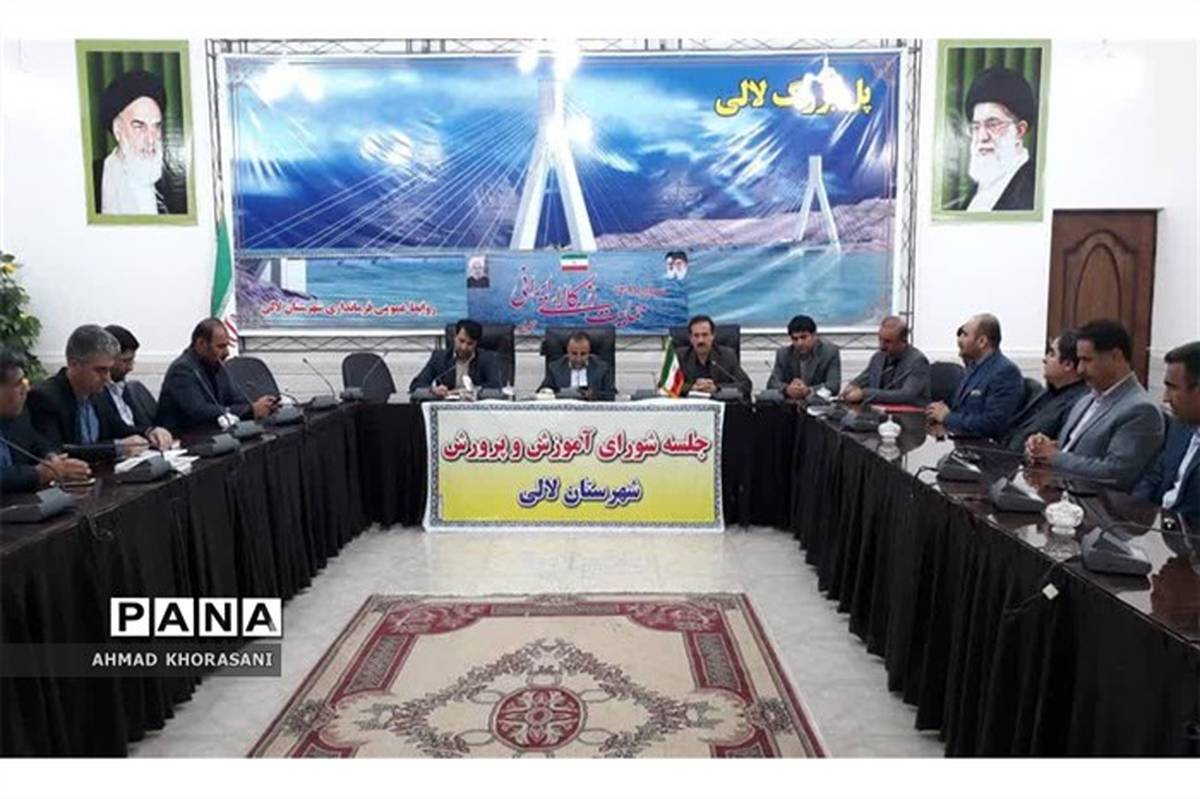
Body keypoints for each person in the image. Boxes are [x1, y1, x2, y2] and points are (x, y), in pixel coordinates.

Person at [1026, 319, 1164, 490]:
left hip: (1098, 503)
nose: (1080, 369)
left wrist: (1054, 457)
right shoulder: (1086, 400)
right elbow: (1071, 449)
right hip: (1059, 492)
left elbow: (1115, 473)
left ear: (1116, 356)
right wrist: (1041, 448)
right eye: (1079, 360)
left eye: (1087, 360)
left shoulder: (1141, 409)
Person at [27, 325, 171, 461]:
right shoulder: (45, 397)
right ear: (74, 365)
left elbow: (120, 429)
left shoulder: (99, 392)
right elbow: (57, 452)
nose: (107, 378)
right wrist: (115, 448)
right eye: (100, 370)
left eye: (109, 370)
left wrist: (150, 431)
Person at [157, 318, 279, 431]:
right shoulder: (182, 370)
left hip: (212, 434)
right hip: (185, 437)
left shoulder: (215, 365)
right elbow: (200, 411)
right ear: (201, 344)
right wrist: (250, 410)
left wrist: (260, 406)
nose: (227, 352)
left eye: (227, 346)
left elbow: (236, 399)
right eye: (221, 346)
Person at [945, 67, 1038, 212]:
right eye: (976, 127)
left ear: (1019, 130)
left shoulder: (1033, 192)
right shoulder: (979, 187)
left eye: (993, 125)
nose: (982, 137)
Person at [1, 348, 91, 494]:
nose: (26, 390)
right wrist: (39, 474)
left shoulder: (16, 418)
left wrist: (51, 457)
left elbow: (36, 442)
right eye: (18, 384)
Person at [95, 69, 184, 215]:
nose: (151, 139)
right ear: (118, 130)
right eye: (139, 127)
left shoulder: (175, 184)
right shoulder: (95, 180)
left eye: (156, 126)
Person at [926, 313, 1024, 438]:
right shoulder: (974, 368)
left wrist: (947, 417)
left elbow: (991, 425)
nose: (959, 340)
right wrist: (939, 415)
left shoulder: (1005, 372)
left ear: (982, 342)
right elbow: (962, 410)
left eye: (965, 335)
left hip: (986, 447)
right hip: (963, 441)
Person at [1134, 342, 1200, 516]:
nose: (1165, 398)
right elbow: (1154, 476)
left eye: (1173, 387)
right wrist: (1133, 513)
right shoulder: (1180, 426)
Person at [1003, 330, 1090, 450]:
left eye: (1052, 354)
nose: (1045, 359)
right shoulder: (1048, 392)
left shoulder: (1078, 404)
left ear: (1068, 365)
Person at [840, 316, 930, 406]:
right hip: (877, 411)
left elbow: (906, 395)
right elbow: (862, 380)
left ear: (903, 340)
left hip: (911, 413)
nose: (881, 346)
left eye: (888, 342)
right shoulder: (878, 357)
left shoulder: (918, 361)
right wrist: (851, 387)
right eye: (880, 339)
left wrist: (864, 394)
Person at [409, 319, 504, 397]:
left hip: (476, 409)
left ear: (476, 344)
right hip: (446, 409)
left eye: (470, 344)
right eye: (461, 341)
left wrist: (468, 391)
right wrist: (433, 390)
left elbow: (495, 387)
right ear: (455, 337)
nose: (464, 347)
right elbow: (416, 385)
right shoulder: (439, 358)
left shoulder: (488, 358)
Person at [96, 324, 159, 431]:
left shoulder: (123, 387)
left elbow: (138, 426)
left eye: (132, 360)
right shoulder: (96, 394)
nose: (131, 368)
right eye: (125, 361)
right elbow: (118, 430)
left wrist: (152, 432)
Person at [767, 315, 841, 399]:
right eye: (795, 339)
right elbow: (772, 383)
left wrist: (808, 390)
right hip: (791, 403)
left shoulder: (830, 352)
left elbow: (834, 386)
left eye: (803, 337)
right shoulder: (783, 354)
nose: (799, 343)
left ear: (814, 335)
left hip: (818, 403)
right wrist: (787, 389)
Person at [675, 315, 751, 396]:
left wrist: (716, 388)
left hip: (718, 402)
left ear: (712, 336)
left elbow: (745, 385)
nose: (700, 340)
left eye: (705, 335)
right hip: (690, 403)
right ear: (690, 338)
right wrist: (692, 387)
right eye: (696, 335)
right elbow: (667, 386)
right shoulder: (680, 356)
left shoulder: (727, 356)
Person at [539, 331, 614, 397]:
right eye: (574, 353)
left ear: (589, 352)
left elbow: (611, 394)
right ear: (568, 351)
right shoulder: (555, 368)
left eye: (583, 354)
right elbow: (542, 392)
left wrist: (595, 395)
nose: (578, 359)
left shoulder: (602, 368)